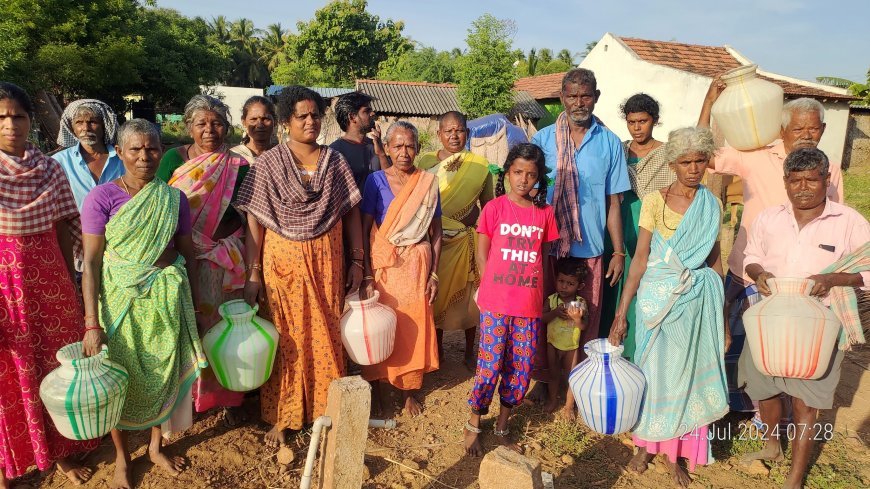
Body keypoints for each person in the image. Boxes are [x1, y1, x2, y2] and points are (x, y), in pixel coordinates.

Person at [699, 85, 845, 412]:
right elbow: (705, 156)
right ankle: (732, 406)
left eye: (813, 128)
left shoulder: (831, 168)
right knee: (733, 338)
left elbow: (839, 222)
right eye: (798, 128)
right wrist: (709, 102)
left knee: (787, 350)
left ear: (823, 130)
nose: (807, 135)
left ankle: (778, 417)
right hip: (748, 269)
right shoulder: (757, 155)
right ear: (782, 130)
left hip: (800, 283)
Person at [81, 119, 207, 489]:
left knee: (161, 374)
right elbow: (90, 263)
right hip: (119, 302)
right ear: (119, 153)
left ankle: (154, 446)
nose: (144, 156)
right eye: (134, 149)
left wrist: (196, 309)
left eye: (151, 148)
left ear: (161, 151)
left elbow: (188, 255)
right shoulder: (102, 198)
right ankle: (122, 456)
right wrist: (92, 322)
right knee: (119, 379)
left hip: (165, 301)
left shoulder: (173, 199)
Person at [235, 86, 364, 447]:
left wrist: (358, 261)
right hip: (281, 263)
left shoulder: (334, 162)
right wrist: (253, 273)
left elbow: (351, 212)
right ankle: (285, 415)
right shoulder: (268, 164)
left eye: (315, 115)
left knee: (325, 330)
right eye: (302, 116)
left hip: (328, 259)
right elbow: (254, 223)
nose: (311, 122)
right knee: (287, 333)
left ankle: (328, 410)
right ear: (286, 122)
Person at [737, 147, 869, 489]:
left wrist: (833, 280)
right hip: (772, 318)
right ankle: (772, 444)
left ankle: (795, 479)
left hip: (820, 323)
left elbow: (868, 270)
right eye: (795, 180)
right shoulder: (770, 217)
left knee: (806, 400)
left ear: (827, 180)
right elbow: (752, 255)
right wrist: (759, 273)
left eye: (812, 179)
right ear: (785, 182)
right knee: (761, 384)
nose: (803, 187)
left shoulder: (848, 221)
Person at [608, 127, 729, 487]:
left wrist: (721, 320)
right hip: (656, 301)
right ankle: (645, 444)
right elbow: (640, 259)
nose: (693, 168)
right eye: (685, 162)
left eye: (700, 160)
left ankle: (676, 455)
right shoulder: (654, 201)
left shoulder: (712, 203)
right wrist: (620, 314)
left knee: (687, 379)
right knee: (654, 373)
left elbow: (715, 260)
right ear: (673, 164)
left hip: (697, 302)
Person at [0, 82, 96, 489]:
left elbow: (61, 229)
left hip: (48, 283)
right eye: (1, 117)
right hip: (4, 289)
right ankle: (8, 468)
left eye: (18, 116)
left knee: (56, 365)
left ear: (31, 121)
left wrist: (66, 286)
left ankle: (59, 454)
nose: (10, 126)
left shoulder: (49, 169)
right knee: (9, 370)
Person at [529, 68, 630, 403]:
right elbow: (529, 194)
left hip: (590, 249)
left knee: (584, 320)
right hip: (549, 247)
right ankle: (542, 381)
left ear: (596, 97)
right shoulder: (542, 141)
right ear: (561, 99)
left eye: (585, 95)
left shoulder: (610, 142)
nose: (578, 103)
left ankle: (579, 388)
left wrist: (618, 251)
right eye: (571, 96)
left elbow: (613, 200)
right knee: (545, 314)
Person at [156, 95, 250, 425]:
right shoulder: (172, 159)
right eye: (201, 123)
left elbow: (247, 217)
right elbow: (160, 206)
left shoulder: (238, 165)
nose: (210, 129)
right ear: (189, 127)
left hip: (223, 261)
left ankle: (227, 396)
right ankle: (189, 399)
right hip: (182, 259)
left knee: (224, 329)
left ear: (227, 127)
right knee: (186, 328)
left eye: (217, 123)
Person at [464, 143, 560, 457]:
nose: (523, 179)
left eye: (530, 174)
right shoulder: (493, 209)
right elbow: (482, 252)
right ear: (507, 173)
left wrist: (543, 297)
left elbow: (543, 257)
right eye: (517, 172)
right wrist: (485, 287)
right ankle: (474, 423)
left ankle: (503, 425)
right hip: (495, 302)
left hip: (528, 305)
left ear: (538, 178)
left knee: (519, 367)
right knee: (489, 366)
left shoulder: (545, 214)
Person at [360, 121, 443, 416]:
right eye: (397, 145)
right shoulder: (375, 181)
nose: (404, 152)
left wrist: (434, 273)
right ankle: (382, 389)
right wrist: (367, 273)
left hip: (418, 268)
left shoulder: (428, 183)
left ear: (418, 149)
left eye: (410, 145)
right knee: (384, 327)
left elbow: (436, 232)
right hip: (385, 268)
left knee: (414, 326)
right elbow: (365, 228)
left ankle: (410, 390)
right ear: (387, 148)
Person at [416, 111, 495, 369]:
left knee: (469, 300)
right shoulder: (425, 162)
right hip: (433, 240)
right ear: (439, 134)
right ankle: (436, 350)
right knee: (434, 299)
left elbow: (488, 207)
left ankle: (469, 353)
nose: (454, 135)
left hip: (465, 240)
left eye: (459, 130)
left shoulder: (479, 166)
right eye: (448, 131)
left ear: (467, 133)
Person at [600, 93, 674, 361]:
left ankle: (636, 354)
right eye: (632, 122)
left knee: (642, 285)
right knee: (613, 284)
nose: (637, 127)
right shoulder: (618, 149)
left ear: (654, 121)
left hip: (651, 226)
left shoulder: (668, 153)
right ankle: (607, 348)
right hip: (618, 224)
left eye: (643, 121)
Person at [53, 98, 124, 210]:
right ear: (72, 129)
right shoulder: (59, 162)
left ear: (104, 126)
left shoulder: (122, 159)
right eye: (79, 122)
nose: (86, 128)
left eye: (92, 122)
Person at [541, 259, 587, 416]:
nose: (564, 286)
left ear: (579, 286)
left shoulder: (580, 303)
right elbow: (542, 318)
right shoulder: (552, 300)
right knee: (553, 374)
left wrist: (577, 319)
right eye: (561, 281)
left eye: (570, 283)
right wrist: (554, 313)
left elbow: (583, 327)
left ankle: (568, 406)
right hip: (552, 344)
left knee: (571, 376)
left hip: (571, 347)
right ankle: (553, 400)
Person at [329, 91, 389, 190]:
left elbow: (389, 181)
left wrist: (381, 153)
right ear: (352, 117)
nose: (372, 113)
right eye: (366, 111)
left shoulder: (375, 145)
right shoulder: (335, 151)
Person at [231, 95, 277, 164]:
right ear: (244, 122)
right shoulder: (234, 156)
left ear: (275, 121)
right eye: (253, 119)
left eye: (265, 119)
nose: (260, 125)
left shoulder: (283, 156)